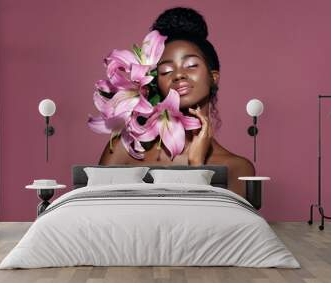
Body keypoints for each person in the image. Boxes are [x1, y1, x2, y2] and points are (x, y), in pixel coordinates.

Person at [99, 7, 254, 197]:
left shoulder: (237, 168)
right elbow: (92, 217)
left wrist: (197, 165)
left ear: (213, 77)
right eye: (165, 71)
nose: (179, 74)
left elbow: (215, 226)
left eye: (191, 66)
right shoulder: (124, 150)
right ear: (156, 83)